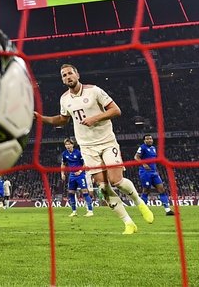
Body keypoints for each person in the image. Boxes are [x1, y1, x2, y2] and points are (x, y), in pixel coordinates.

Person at [34, 63, 154, 234]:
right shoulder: (64, 99)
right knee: (103, 187)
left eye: (70, 73)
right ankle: (128, 223)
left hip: (106, 142)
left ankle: (139, 202)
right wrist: (41, 118)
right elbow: (62, 119)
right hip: (87, 147)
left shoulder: (94, 91)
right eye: (63, 75)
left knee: (116, 181)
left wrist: (95, 118)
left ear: (77, 74)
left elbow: (116, 110)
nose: (67, 77)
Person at [134, 134, 175, 216]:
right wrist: (144, 164)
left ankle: (168, 210)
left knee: (162, 189)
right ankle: (144, 211)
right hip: (145, 172)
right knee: (146, 191)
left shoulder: (153, 148)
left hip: (154, 172)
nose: (149, 140)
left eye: (150, 139)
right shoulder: (142, 147)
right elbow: (136, 157)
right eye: (147, 139)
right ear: (144, 141)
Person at [61, 138, 94, 217]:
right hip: (72, 175)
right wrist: (62, 173)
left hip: (80, 175)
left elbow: (85, 163)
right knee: (71, 193)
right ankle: (74, 211)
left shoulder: (78, 153)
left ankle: (90, 211)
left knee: (85, 192)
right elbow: (63, 164)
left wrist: (79, 171)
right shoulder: (64, 154)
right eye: (66, 144)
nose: (68, 146)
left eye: (69, 144)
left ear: (72, 144)